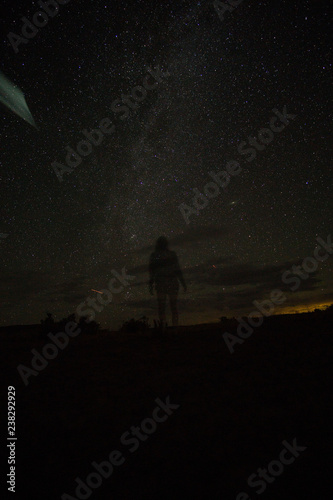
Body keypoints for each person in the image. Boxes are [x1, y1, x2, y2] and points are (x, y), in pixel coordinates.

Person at [149, 236, 187, 331]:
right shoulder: (162, 255)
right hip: (167, 282)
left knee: (166, 306)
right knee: (169, 306)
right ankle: (170, 327)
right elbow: (152, 271)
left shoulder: (157, 255)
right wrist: (183, 283)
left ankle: (169, 327)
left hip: (167, 282)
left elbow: (152, 272)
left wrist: (151, 284)